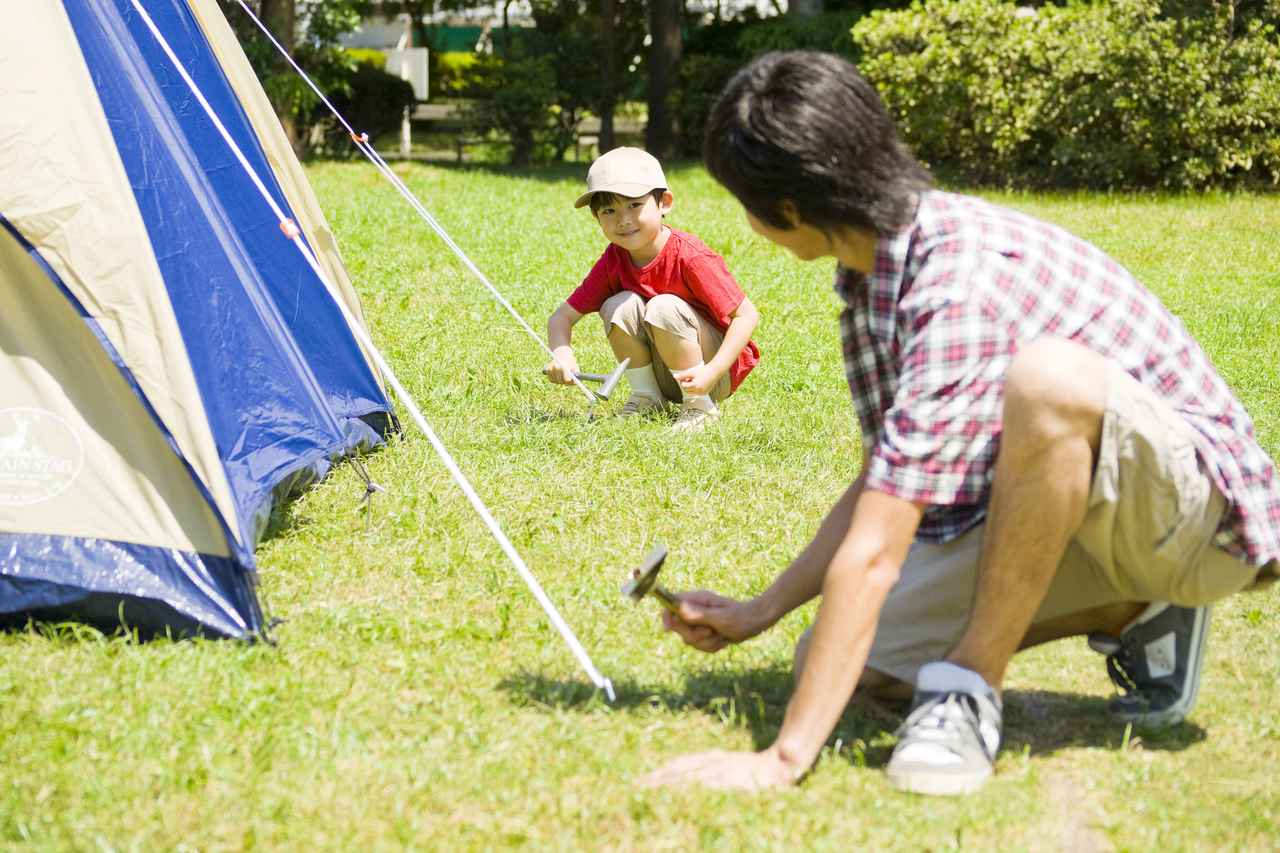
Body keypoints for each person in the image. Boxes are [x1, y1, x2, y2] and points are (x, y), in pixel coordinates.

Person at [644, 51, 1280, 795]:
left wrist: (784, 758)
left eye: (747, 205)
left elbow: (880, 549)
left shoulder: (958, 282)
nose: (751, 227)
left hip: (1203, 525)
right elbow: (881, 485)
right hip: (1089, 512)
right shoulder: (871, 275)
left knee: (1049, 381)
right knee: (846, 659)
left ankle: (971, 683)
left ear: (788, 210)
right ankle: (1135, 607)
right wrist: (766, 607)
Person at [545, 147, 760, 433]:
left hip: (711, 374)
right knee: (617, 304)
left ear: (664, 203)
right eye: (609, 210)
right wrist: (563, 355)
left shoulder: (690, 256)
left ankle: (699, 406)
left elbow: (746, 316)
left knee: (663, 306)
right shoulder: (614, 258)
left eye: (634, 205)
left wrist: (712, 372)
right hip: (665, 371)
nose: (623, 220)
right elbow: (561, 317)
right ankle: (647, 397)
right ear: (596, 218)